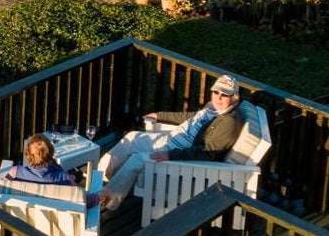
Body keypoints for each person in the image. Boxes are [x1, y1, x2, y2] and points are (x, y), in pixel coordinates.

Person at [97, 74, 247, 209]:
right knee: (132, 137)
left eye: (225, 95)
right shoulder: (213, 108)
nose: (218, 98)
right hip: (170, 139)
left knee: (138, 159)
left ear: (234, 98)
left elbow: (207, 152)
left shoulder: (228, 122)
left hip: (178, 154)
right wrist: (160, 115)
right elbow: (191, 117)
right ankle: (99, 178)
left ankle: (106, 199)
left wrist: (171, 155)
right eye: (216, 92)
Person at [5, 134, 101, 206]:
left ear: (28, 154)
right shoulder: (64, 180)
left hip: (24, 224)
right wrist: (101, 195)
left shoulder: (14, 173)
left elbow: (3, 190)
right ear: (51, 154)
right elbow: (85, 201)